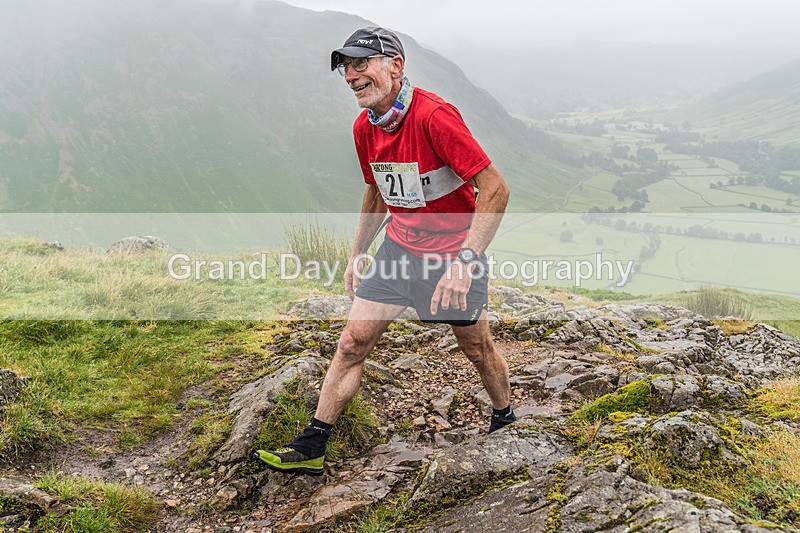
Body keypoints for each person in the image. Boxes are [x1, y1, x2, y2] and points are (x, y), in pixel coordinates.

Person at [255, 26, 514, 476]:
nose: (351, 75)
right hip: (397, 250)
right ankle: (314, 444)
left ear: (395, 66)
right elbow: (376, 191)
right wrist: (359, 253)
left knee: (476, 348)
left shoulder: (435, 117)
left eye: (361, 64)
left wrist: (465, 264)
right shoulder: (364, 127)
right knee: (352, 341)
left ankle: (504, 415)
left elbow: (495, 189)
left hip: (452, 253)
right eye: (345, 67)